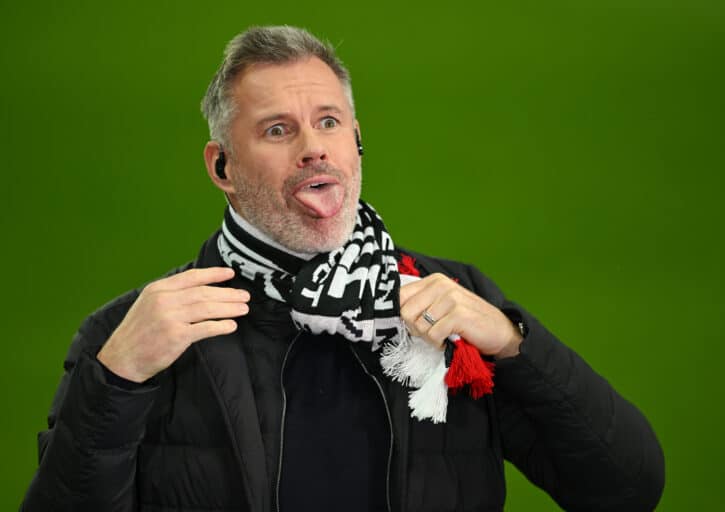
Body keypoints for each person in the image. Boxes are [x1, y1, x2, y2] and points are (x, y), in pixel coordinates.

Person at [21, 26, 664, 512]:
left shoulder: (452, 303)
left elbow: (626, 489)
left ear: (356, 141)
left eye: (329, 122)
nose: (313, 148)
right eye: (277, 130)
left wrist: (513, 342)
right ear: (222, 168)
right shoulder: (136, 334)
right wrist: (116, 380)